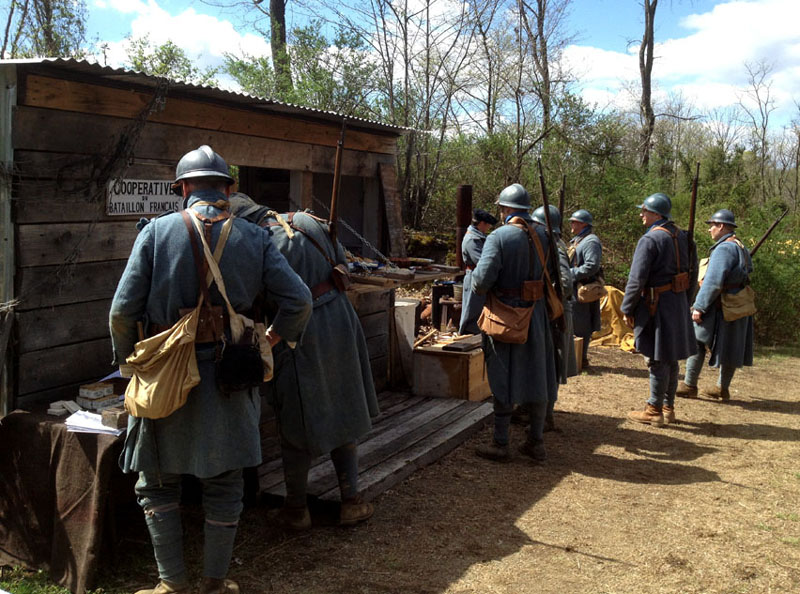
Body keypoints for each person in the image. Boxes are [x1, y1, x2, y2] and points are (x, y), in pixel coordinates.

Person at [110, 146, 313, 594]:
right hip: (232, 370)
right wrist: (270, 340)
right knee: (225, 483)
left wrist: (129, 363)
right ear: (229, 188)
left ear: (182, 188)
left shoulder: (156, 233)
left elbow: (122, 313)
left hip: (163, 372)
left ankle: (171, 585)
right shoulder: (256, 237)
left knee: (158, 482)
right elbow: (299, 300)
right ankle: (215, 585)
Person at [228, 193, 380, 529]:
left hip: (297, 331)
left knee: (296, 415)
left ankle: (296, 509)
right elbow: (341, 263)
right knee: (343, 407)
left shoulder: (257, 242)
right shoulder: (307, 220)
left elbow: (254, 297)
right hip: (340, 320)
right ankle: (350, 500)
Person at [471, 183, 558, 462]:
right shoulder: (546, 235)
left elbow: (482, 282)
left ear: (505, 209)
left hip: (506, 317)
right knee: (538, 377)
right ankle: (536, 441)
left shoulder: (499, 237)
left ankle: (500, 443)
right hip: (538, 315)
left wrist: (474, 281)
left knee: (502, 378)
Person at [621, 192, 697, 427]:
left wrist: (627, 307)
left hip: (657, 304)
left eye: (644, 211)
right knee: (671, 358)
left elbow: (637, 279)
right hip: (678, 302)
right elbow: (692, 276)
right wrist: (686, 300)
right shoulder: (683, 237)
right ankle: (668, 407)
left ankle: (654, 409)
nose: (641, 215)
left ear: (656, 214)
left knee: (656, 358)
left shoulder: (650, 239)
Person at [677, 209, 754, 401]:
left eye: (712, 225)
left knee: (697, 340)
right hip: (736, 302)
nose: (710, 229)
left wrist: (699, 307)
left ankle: (689, 385)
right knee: (730, 346)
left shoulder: (724, 249)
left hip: (721, 304)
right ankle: (722, 388)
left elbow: (713, 281)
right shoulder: (740, 246)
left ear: (721, 226)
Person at [531, 205, 576, 431]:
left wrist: (549, 295)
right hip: (553, 310)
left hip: (556, 312)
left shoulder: (556, 246)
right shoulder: (550, 244)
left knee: (553, 364)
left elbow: (565, 284)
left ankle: (546, 416)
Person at [568, 209, 603, 368]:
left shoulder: (590, 241)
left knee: (582, 325)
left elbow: (591, 266)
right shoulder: (579, 240)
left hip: (583, 288)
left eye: (574, 222)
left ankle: (581, 359)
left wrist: (570, 273)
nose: (571, 224)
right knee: (575, 322)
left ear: (583, 224)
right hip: (575, 286)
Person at [459, 208, 498, 334]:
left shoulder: (479, 237)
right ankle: (465, 335)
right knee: (471, 309)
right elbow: (481, 262)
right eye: (487, 225)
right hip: (474, 276)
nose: (488, 228)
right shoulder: (472, 239)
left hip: (479, 275)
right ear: (481, 224)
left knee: (478, 308)